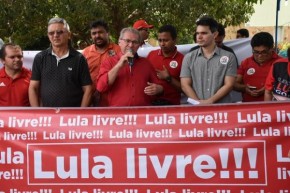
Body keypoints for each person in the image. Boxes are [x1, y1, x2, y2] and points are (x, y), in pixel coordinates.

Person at [29, 17, 93, 107]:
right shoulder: (40, 58)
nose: (55, 35)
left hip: (72, 118)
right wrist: (37, 114)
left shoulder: (79, 59)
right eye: (51, 33)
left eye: (59, 32)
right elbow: (33, 88)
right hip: (47, 117)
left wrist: (80, 114)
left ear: (69, 35)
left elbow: (88, 89)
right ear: (48, 36)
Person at [96, 27, 163, 106]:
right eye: (127, 41)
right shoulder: (109, 62)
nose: (131, 45)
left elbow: (160, 87)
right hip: (119, 115)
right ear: (119, 42)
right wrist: (119, 65)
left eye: (135, 42)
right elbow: (100, 88)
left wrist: (159, 89)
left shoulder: (146, 63)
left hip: (142, 114)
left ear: (139, 45)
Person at [180, 16, 237, 104]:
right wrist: (198, 103)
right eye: (197, 33)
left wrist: (210, 101)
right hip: (196, 113)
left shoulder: (229, 56)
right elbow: (185, 85)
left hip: (222, 112)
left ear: (215, 34)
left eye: (204, 33)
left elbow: (229, 84)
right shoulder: (189, 57)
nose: (199, 37)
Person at [82, 19, 121, 106]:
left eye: (100, 32)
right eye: (94, 33)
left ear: (108, 33)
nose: (97, 35)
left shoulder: (118, 50)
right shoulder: (86, 53)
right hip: (89, 100)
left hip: (112, 99)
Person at [234, 32, 281, 102]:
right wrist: (245, 88)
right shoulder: (246, 62)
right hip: (248, 108)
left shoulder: (281, 63)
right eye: (256, 52)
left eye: (264, 52)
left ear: (272, 48)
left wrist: (267, 89)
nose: (260, 55)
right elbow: (234, 84)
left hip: (272, 109)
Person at [147, 24, 183, 105]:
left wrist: (168, 78)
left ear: (175, 40)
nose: (162, 44)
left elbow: (185, 89)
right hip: (150, 104)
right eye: (160, 40)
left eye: (166, 40)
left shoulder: (183, 59)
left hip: (171, 106)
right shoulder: (151, 55)